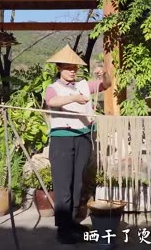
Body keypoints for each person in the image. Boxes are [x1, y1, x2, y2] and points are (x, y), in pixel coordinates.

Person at [44, 44, 111, 244]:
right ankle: (63, 230)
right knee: (64, 185)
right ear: (59, 68)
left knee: (77, 184)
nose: (72, 71)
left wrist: (103, 74)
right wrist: (74, 98)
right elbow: (52, 102)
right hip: (62, 139)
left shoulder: (83, 85)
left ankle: (72, 222)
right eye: (68, 67)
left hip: (83, 137)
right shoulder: (52, 88)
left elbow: (106, 85)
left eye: (74, 67)